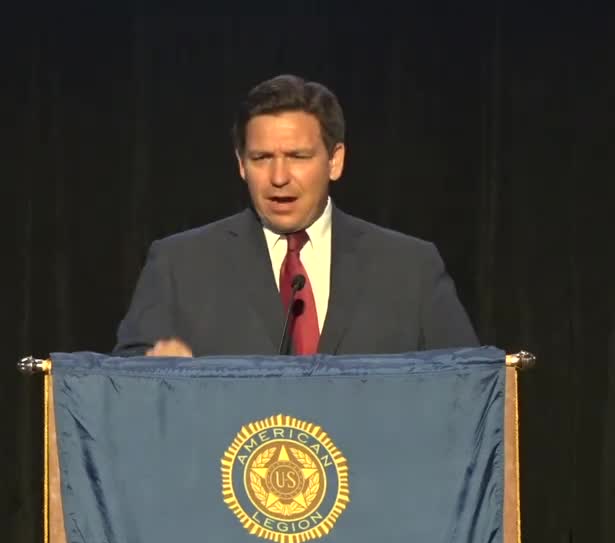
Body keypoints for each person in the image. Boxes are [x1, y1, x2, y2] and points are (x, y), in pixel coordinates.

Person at [114, 74, 478, 357]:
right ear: (241, 164)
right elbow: (121, 386)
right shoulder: (179, 265)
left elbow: (469, 386)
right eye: (261, 158)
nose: (278, 177)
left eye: (298, 157)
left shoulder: (410, 268)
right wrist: (155, 377)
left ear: (335, 161)